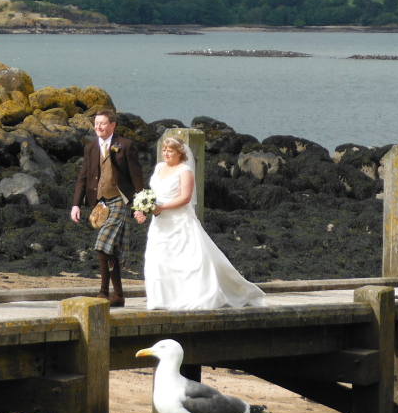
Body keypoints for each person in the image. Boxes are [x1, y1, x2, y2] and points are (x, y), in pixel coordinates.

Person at [136, 137, 266, 310]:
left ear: (179, 153)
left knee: (188, 261)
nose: (166, 153)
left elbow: (185, 198)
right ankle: (161, 299)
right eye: (164, 150)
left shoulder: (184, 171)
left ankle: (197, 295)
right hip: (159, 223)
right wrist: (143, 208)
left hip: (179, 221)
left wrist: (161, 207)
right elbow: (152, 193)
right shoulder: (159, 167)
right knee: (157, 259)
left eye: (170, 151)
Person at [71, 110, 145, 307]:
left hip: (120, 200)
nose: (98, 127)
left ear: (113, 125)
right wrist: (76, 204)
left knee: (102, 244)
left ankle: (103, 293)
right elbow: (83, 177)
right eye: (96, 123)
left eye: (103, 123)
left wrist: (140, 206)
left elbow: (137, 178)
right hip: (101, 204)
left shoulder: (126, 146)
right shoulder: (90, 148)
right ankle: (118, 295)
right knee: (109, 250)